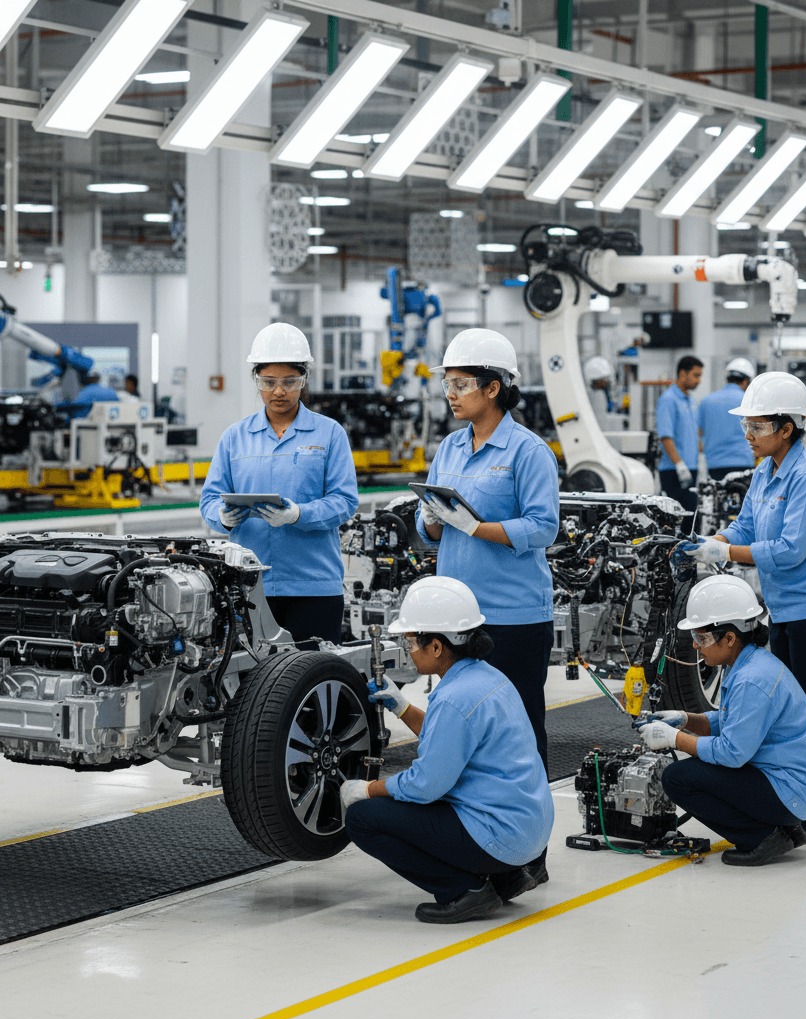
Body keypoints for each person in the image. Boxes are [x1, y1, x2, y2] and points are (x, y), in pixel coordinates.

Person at [682, 372, 806, 844]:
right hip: (784, 608)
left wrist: (726, 555)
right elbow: (746, 526)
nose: (748, 436)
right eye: (747, 426)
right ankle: (786, 798)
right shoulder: (766, 471)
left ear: (787, 428)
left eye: (757, 427)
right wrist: (711, 543)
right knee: (786, 709)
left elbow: (789, 549)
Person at [415, 328, 559, 884]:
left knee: (520, 734)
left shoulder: (528, 451)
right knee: (459, 732)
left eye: (461, 385)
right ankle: (475, 843)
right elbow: (432, 530)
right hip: (455, 617)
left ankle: (530, 855)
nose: (450, 395)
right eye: (447, 384)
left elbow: (544, 527)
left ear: (494, 388)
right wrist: (432, 523)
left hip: (514, 617)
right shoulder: (449, 448)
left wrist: (479, 527)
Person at [341, 576, 554, 923]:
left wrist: (366, 789)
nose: (408, 648)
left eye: (411, 641)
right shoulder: (488, 678)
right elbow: (453, 741)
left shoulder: (454, 699)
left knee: (364, 819)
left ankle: (464, 891)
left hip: (500, 835)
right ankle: (505, 877)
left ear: (437, 647)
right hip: (529, 832)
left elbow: (424, 785)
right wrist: (402, 708)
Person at [638, 575, 806, 866]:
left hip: (789, 791)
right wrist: (686, 720)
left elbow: (732, 753)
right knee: (696, 767)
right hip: (788, 783)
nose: (697, 646)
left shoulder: (752, 679)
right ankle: (782, 827)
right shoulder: (748, 663)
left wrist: (675, 740)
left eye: (702, 638)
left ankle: (762, 836)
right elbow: (733, 721)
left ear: (729, 638)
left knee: (678, 778)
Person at [199, 323, 358, 644]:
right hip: (247, 587)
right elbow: (209, 501)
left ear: (304, 381)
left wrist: (298, 514)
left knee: (312, 680)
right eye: (268, 382)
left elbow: (345, 501)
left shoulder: (329, 434)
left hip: (313, 586)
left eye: (290, 382)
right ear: (256, 380)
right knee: (249, 687)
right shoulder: (235, 437)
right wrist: (222, 517)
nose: (279, 391)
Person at [656, 355, 703, 512]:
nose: (699, 381)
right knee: (675, 518)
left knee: (690, 517)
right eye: (696, 375)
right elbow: (665, 436)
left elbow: (694, 434)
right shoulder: (668, 399)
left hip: (691, 468)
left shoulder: (692, 402)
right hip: (673, 471)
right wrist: (679, 464)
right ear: (683, 373)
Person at [698, 357, 756, 479]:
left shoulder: (706, 401)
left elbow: (699, 432)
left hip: (714, 465)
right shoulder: (749, 401)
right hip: (743, 463)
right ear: (746, 381)